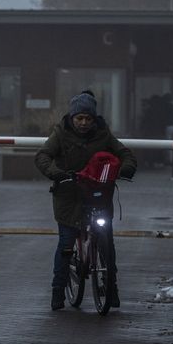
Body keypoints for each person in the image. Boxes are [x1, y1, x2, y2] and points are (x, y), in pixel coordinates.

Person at [35, 90, 136, 311]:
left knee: (106, 242)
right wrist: (56, 172)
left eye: (88, 118)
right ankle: (58, 291)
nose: (83, 123)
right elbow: (43, 156)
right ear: (71, 118)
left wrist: (127, 168)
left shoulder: (103, 134)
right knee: (66, 244)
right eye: (79, 118)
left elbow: (124, 152)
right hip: (69, 196)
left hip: (97, 194)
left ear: (94, 119)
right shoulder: (60, 134)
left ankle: (112, 288)